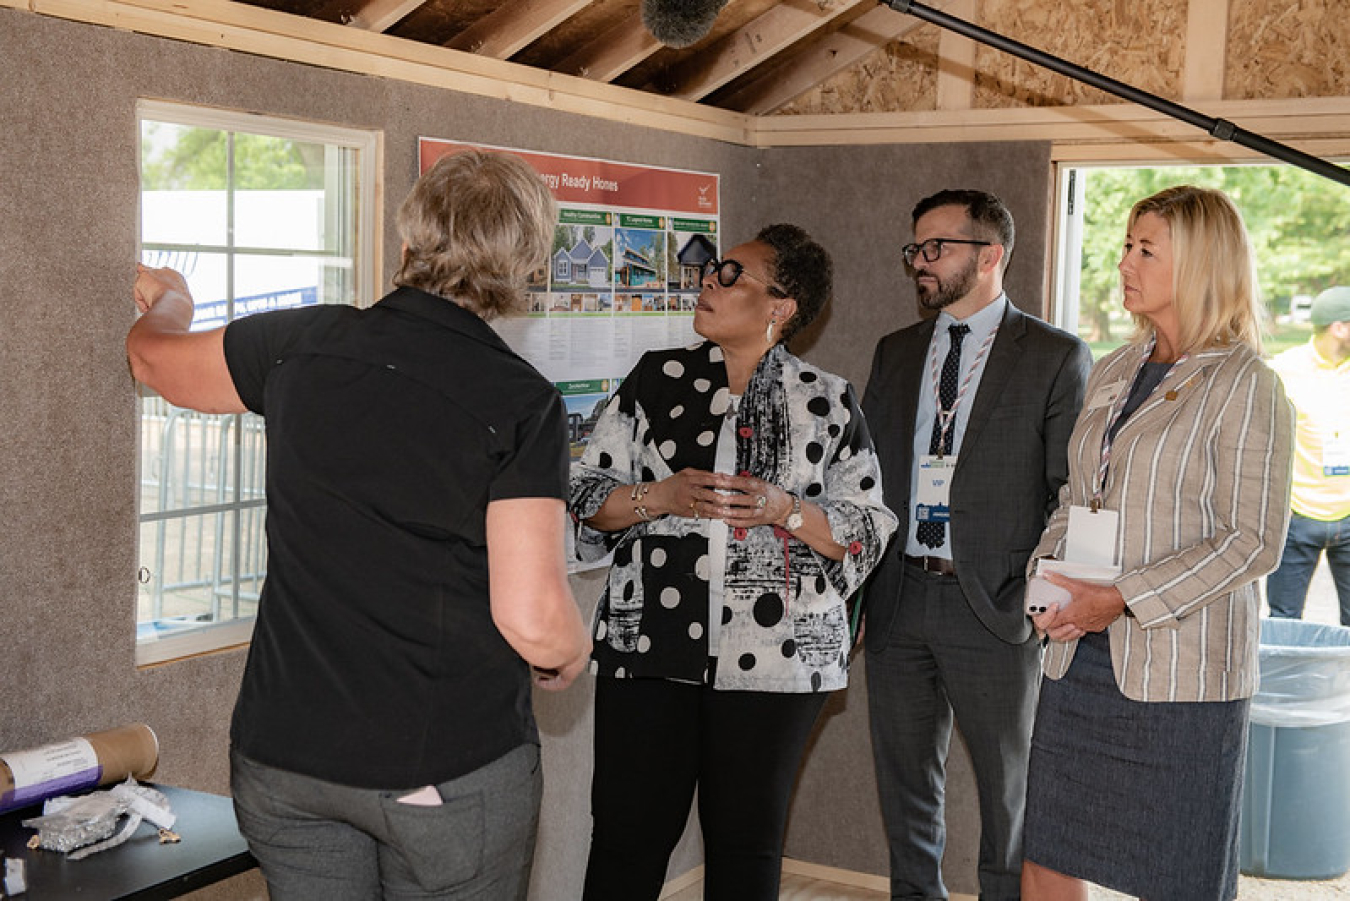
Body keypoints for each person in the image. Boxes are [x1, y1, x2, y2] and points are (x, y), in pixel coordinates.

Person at [126, 149, 592, 900]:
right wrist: (572, 649)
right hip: (438, 769)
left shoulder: (300, 342)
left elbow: (153, 361)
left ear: (408, 240)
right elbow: (534, 621)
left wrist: (174, 295)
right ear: (525, 271)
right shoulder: (520, 401)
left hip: (287, 761)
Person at [569, 223, 898, 901]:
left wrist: (787, 510)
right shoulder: (654, 379)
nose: (707, 282)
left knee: (746, 853)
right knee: (626, 843)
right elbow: (586, 496)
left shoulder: (828, 401)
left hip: (777, 665)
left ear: (781, 306)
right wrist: (655, 495)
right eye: (711, 270)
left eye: (729, 274)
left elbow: (867, 527)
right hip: (647, 651)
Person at [1021, 185, 1294, 901]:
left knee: (1178, 875)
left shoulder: (1247, 384)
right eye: (1125, 245)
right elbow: (1078, 494)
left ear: (1201, 264)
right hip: (1077, 656)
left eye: (1146, 248)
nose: (1124, 261)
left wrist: (1119, 599)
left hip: (1183, 676)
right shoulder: (1113, 368)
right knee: (1047, 851)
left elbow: (1253, 539)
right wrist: (1046, 581)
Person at [862, 188, 1092, 901]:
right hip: (900, 598)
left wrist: (1041, 597)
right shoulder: (897, 351)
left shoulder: (1055, 355)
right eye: (914, 249)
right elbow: (865, 478)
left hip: (995, 605)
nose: (919, 263)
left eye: (937, 248)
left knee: (1007, 796)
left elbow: (1068, 490)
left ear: (990, 255)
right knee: (906, 786)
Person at [1265, 285, 1350, 624]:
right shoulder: (1284, 369)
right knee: (1283, 622)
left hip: (1348, 514)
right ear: (1339, 327)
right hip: (1298, 518)